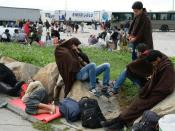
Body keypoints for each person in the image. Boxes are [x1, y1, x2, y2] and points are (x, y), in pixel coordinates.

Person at [102, 50, 175, 130]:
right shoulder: (161, 59)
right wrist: (147, 88)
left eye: (154, 63)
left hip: (158, 94)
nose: (153, 65)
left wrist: (151, 91)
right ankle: (118, 120)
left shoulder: (168, 67)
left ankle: (120, 123)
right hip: (153, 90)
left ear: (158, 59)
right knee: (135, 104)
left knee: (140, 106)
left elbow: (167, 87)